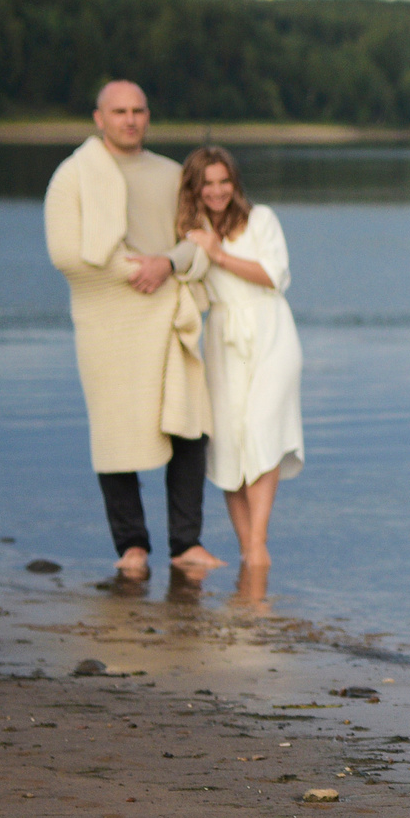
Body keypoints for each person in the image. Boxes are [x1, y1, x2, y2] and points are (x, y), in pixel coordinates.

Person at [43, 81, 222, 578]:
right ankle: (132, 547)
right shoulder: (73, 176)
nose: (130, 119)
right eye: (119, 111)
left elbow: (202, 243)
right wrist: (136, 273)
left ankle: (186, 543)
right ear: (98, 118)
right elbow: (65, 253)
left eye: (138, 110)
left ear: (148, 115)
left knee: (190, 428)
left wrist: (165, 264)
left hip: (168, 317)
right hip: (109, 325)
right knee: (115, 431)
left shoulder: (171, 174)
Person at [180, 148, 304, 568]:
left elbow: (274, 276)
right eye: (207, 183)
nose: (216, 191)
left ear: (235, 183)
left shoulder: (261, 219)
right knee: (231, 442)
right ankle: (248, 546)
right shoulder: (189, 231)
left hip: (271, 332)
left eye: (223, 181)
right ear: (195, 188)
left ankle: (258, 544)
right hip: (222, 336)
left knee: (262, 429)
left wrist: (220, 254)